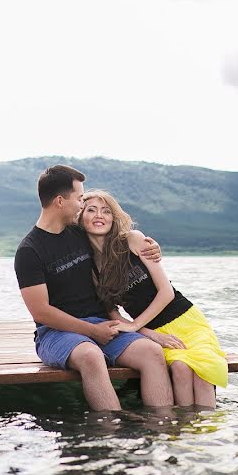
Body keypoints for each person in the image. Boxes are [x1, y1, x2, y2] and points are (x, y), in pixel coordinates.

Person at [14, 165, 174, 411]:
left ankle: (161, 429)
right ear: (60, 201)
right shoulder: (29, 251)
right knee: (91, 356)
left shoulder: (79, 234)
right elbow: (41, 313)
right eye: (79, 198)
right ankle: (110, 437)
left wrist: (150, 248)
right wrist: (91, 330)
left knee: (152, 353)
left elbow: (120, 240)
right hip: (55, 333)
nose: (81, 204)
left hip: (102, 324)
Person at [79, 189, 228, 408]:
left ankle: (206, 434)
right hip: (154, 331)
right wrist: (149, 334)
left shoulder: (132, 240)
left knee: (201, 371)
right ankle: (182, 434)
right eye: (91, 210)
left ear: (114, 217)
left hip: (188, 321)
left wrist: (136, 325)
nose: (99, 215)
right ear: (81, 218)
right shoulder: (91, 268)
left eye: (106, 211)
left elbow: (167, 292)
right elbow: (113, 314)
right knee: (179, 368)